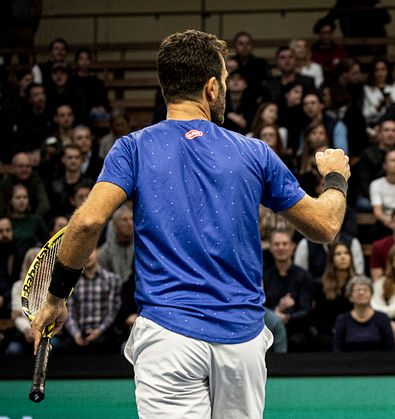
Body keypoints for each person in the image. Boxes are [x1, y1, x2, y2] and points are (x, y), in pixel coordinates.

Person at [30, 30, 350, 419]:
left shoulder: (132, 148)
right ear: (212, 87)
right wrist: (335, 177)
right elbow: (326, 225)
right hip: (242, 344)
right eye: (226, 81)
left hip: (168, 339)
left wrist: (56, 298)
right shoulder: (254, 152)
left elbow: (88, 221)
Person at [58, 246, 123, 354]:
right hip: (78, 336)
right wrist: (76, 334)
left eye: (90, 252)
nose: (87, 256)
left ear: (97, 252)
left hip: (104, 335)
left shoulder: (112, 279)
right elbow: (69, 312)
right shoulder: (72, 282)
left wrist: (98, 331)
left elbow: (113, 312)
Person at [309, 241, 356, 350]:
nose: (343, 257)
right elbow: (319, 315)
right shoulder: (321, 285)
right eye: (338, 254)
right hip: (328, 331)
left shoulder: (357, 284)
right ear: (332, 259)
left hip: (353, 330)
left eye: (346, 253)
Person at [332, 275, 395, 352]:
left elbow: (389, 349)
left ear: (371, 295)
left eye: (365, 290)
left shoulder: (382, 318)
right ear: (350, 297)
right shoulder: (342, 320)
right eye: (357, 290)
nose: (361, 293)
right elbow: (337, 349)